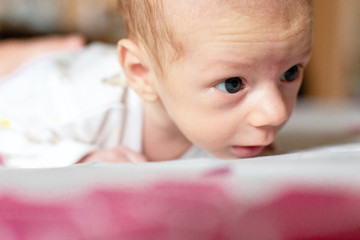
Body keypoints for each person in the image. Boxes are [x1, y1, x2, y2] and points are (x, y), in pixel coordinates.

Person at [0, 0, 313, 168]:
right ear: (142, 75)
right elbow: (9, 131)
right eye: (232, 84)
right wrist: (79, 158)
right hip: (43, 78)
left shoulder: (210, 89)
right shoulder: (81, 107)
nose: (276, 113)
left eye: (290, 73)